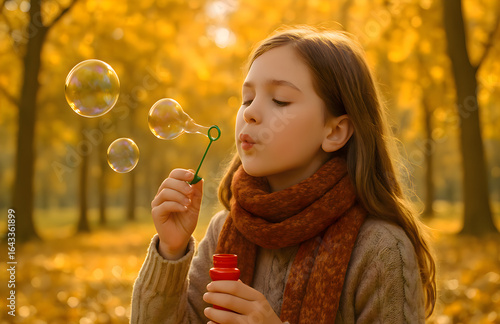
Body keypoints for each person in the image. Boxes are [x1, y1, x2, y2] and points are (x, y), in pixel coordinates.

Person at [131, 26, 436, 324]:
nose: (250, 113)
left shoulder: (382, 250)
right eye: (247, 98)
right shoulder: (223, 229)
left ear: (335, 131)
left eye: (280, 100)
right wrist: (170, 252)